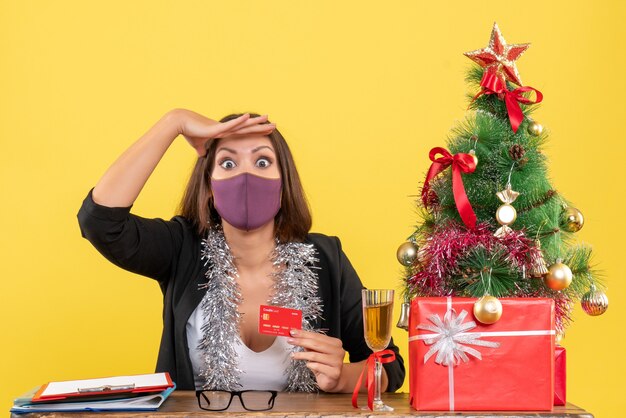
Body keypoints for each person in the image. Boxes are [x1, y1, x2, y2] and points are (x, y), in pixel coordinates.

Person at [77, 109, 405, 393]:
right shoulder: (183, 248)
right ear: (208, 188)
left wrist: (343, 378)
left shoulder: (324, 257)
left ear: (282, 184)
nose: (246, 176)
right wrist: (173, 123)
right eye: (228, 162)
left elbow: (390, 366)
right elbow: (100, 222)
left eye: (262, 161)